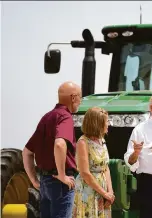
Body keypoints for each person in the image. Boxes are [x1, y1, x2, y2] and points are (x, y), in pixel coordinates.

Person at [22, 81, 82, 218]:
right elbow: (60, 144)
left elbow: (27, 152)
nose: (80, 101)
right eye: (80, 97)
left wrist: (34, 180)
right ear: (73, 98)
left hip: (45, 182)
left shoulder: (47, 117)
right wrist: (62, 175)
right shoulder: (65, 117)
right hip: (60, 184)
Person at [72, 107, 114, 218]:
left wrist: (110, 192)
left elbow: (105, 167)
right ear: (97, 124)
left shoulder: (102, 140)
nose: (108, 124)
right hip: (88, 191)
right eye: (106, 122)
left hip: (103, 191)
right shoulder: (83, 142)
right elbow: (84, 173)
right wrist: (104, 193)